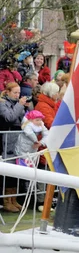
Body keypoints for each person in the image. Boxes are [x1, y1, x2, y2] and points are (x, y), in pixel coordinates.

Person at [0, 82, 28, 211]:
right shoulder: (2, 103)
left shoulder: (16, 104)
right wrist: (20, 105)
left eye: (19, 93)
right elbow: (9, 118)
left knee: (16, 169)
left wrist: (26, 109)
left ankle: (13, 199)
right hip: (6, 141)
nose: (18, 95)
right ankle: (6, 201)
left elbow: (23, 119)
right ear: (8, 92)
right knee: (8, 170)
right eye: (15, 92)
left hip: (17, 140)